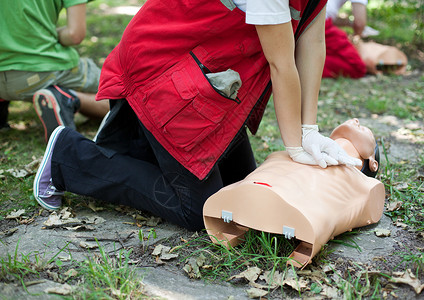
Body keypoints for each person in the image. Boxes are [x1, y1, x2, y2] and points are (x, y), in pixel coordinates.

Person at [33, 0, 362, 232]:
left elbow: (312, 43)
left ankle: (130, 138)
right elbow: (281, 63)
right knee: (200, 211)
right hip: (163, 68)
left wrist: (310, 129)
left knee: (240, 191)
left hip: (206, 81)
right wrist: (296, 144)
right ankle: (69, 157)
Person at [203, 118, 384, 268]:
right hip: (262, 183)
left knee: (321, 190)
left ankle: (295, 214)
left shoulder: (362, 182)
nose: (356, 120)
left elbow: (364, 205)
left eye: (366, 130)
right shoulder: (302, 147)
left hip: (305, 203)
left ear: (372, 162)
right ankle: (253, 193)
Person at [0, 1, 109, 141]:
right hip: (39, 71)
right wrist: (44, 35)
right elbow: (75, 34)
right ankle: (65, 98)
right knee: (123, 98)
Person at [323, 0, 369, 78]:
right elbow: (359, 24)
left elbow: (330, 15)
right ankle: (305, 64)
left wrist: (350, 23)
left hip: (302, 18)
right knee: (357, 68)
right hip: (320, 25)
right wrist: (356, 37)